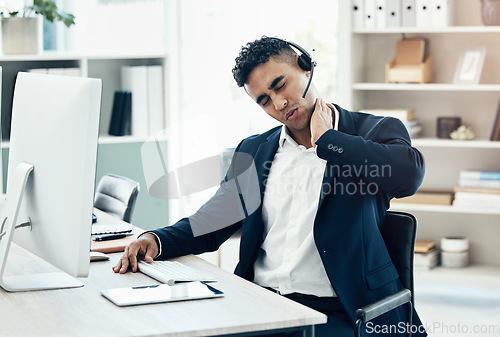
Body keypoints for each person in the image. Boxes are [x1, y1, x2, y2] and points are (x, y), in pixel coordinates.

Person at [113, 36, 427, 337]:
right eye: (264, 100)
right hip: (260, 304)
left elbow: (408, 176)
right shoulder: (254, 151)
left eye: (280, 85)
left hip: (342, 312)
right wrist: (156, 240)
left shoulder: (373, 132)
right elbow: (213, 222)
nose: (279, 103)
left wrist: (328, 140)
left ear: (304, 65)